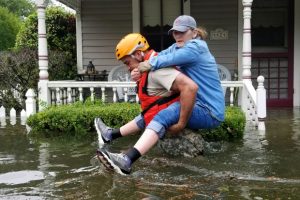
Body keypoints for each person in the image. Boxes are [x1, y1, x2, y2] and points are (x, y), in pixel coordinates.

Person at [95, 33, 198, 175]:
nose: (128, 67)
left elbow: (189, 87)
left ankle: (126, 160)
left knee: (153, 115)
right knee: (148, 114)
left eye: (127, 63)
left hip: (171, 113)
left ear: (138, 54)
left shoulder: (158, 70)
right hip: (159, 109)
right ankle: (110, 135)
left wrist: (181, 123)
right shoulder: (149, 65)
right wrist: (136, 75)